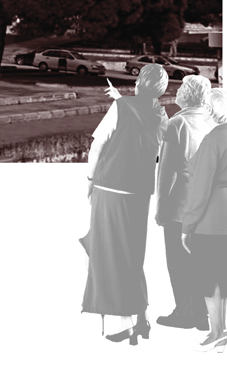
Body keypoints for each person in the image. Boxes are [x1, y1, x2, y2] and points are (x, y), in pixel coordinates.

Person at [80, 64, 170, 345]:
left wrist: (89, 178)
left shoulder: (121, 107)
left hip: (110, 187)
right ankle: (141, 316)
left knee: (107, 251)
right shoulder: (161, 114)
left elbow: (97, 145)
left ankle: (121, 325)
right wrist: (121, 100)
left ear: (139, 82)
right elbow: (146, 130)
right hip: (140, 192)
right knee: (131, 253)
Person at [181, 89, 227, 353]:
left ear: (211, 110)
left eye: (205, 106)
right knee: (222, 277)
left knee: (208, 279)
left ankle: (216, 333)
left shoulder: (212, 140)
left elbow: (200, 190)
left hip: (208, 218)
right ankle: (222, 332)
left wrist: (187, 226)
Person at [155, 75, 217, 330]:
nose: (178, 90)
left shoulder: (177, 124)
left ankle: (184, 314)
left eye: (181, 87)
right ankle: (202, 315)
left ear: (188, 94)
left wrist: (160, 208)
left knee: (178, 263)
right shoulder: (212, 123)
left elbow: (166, 172)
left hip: (181, 205)